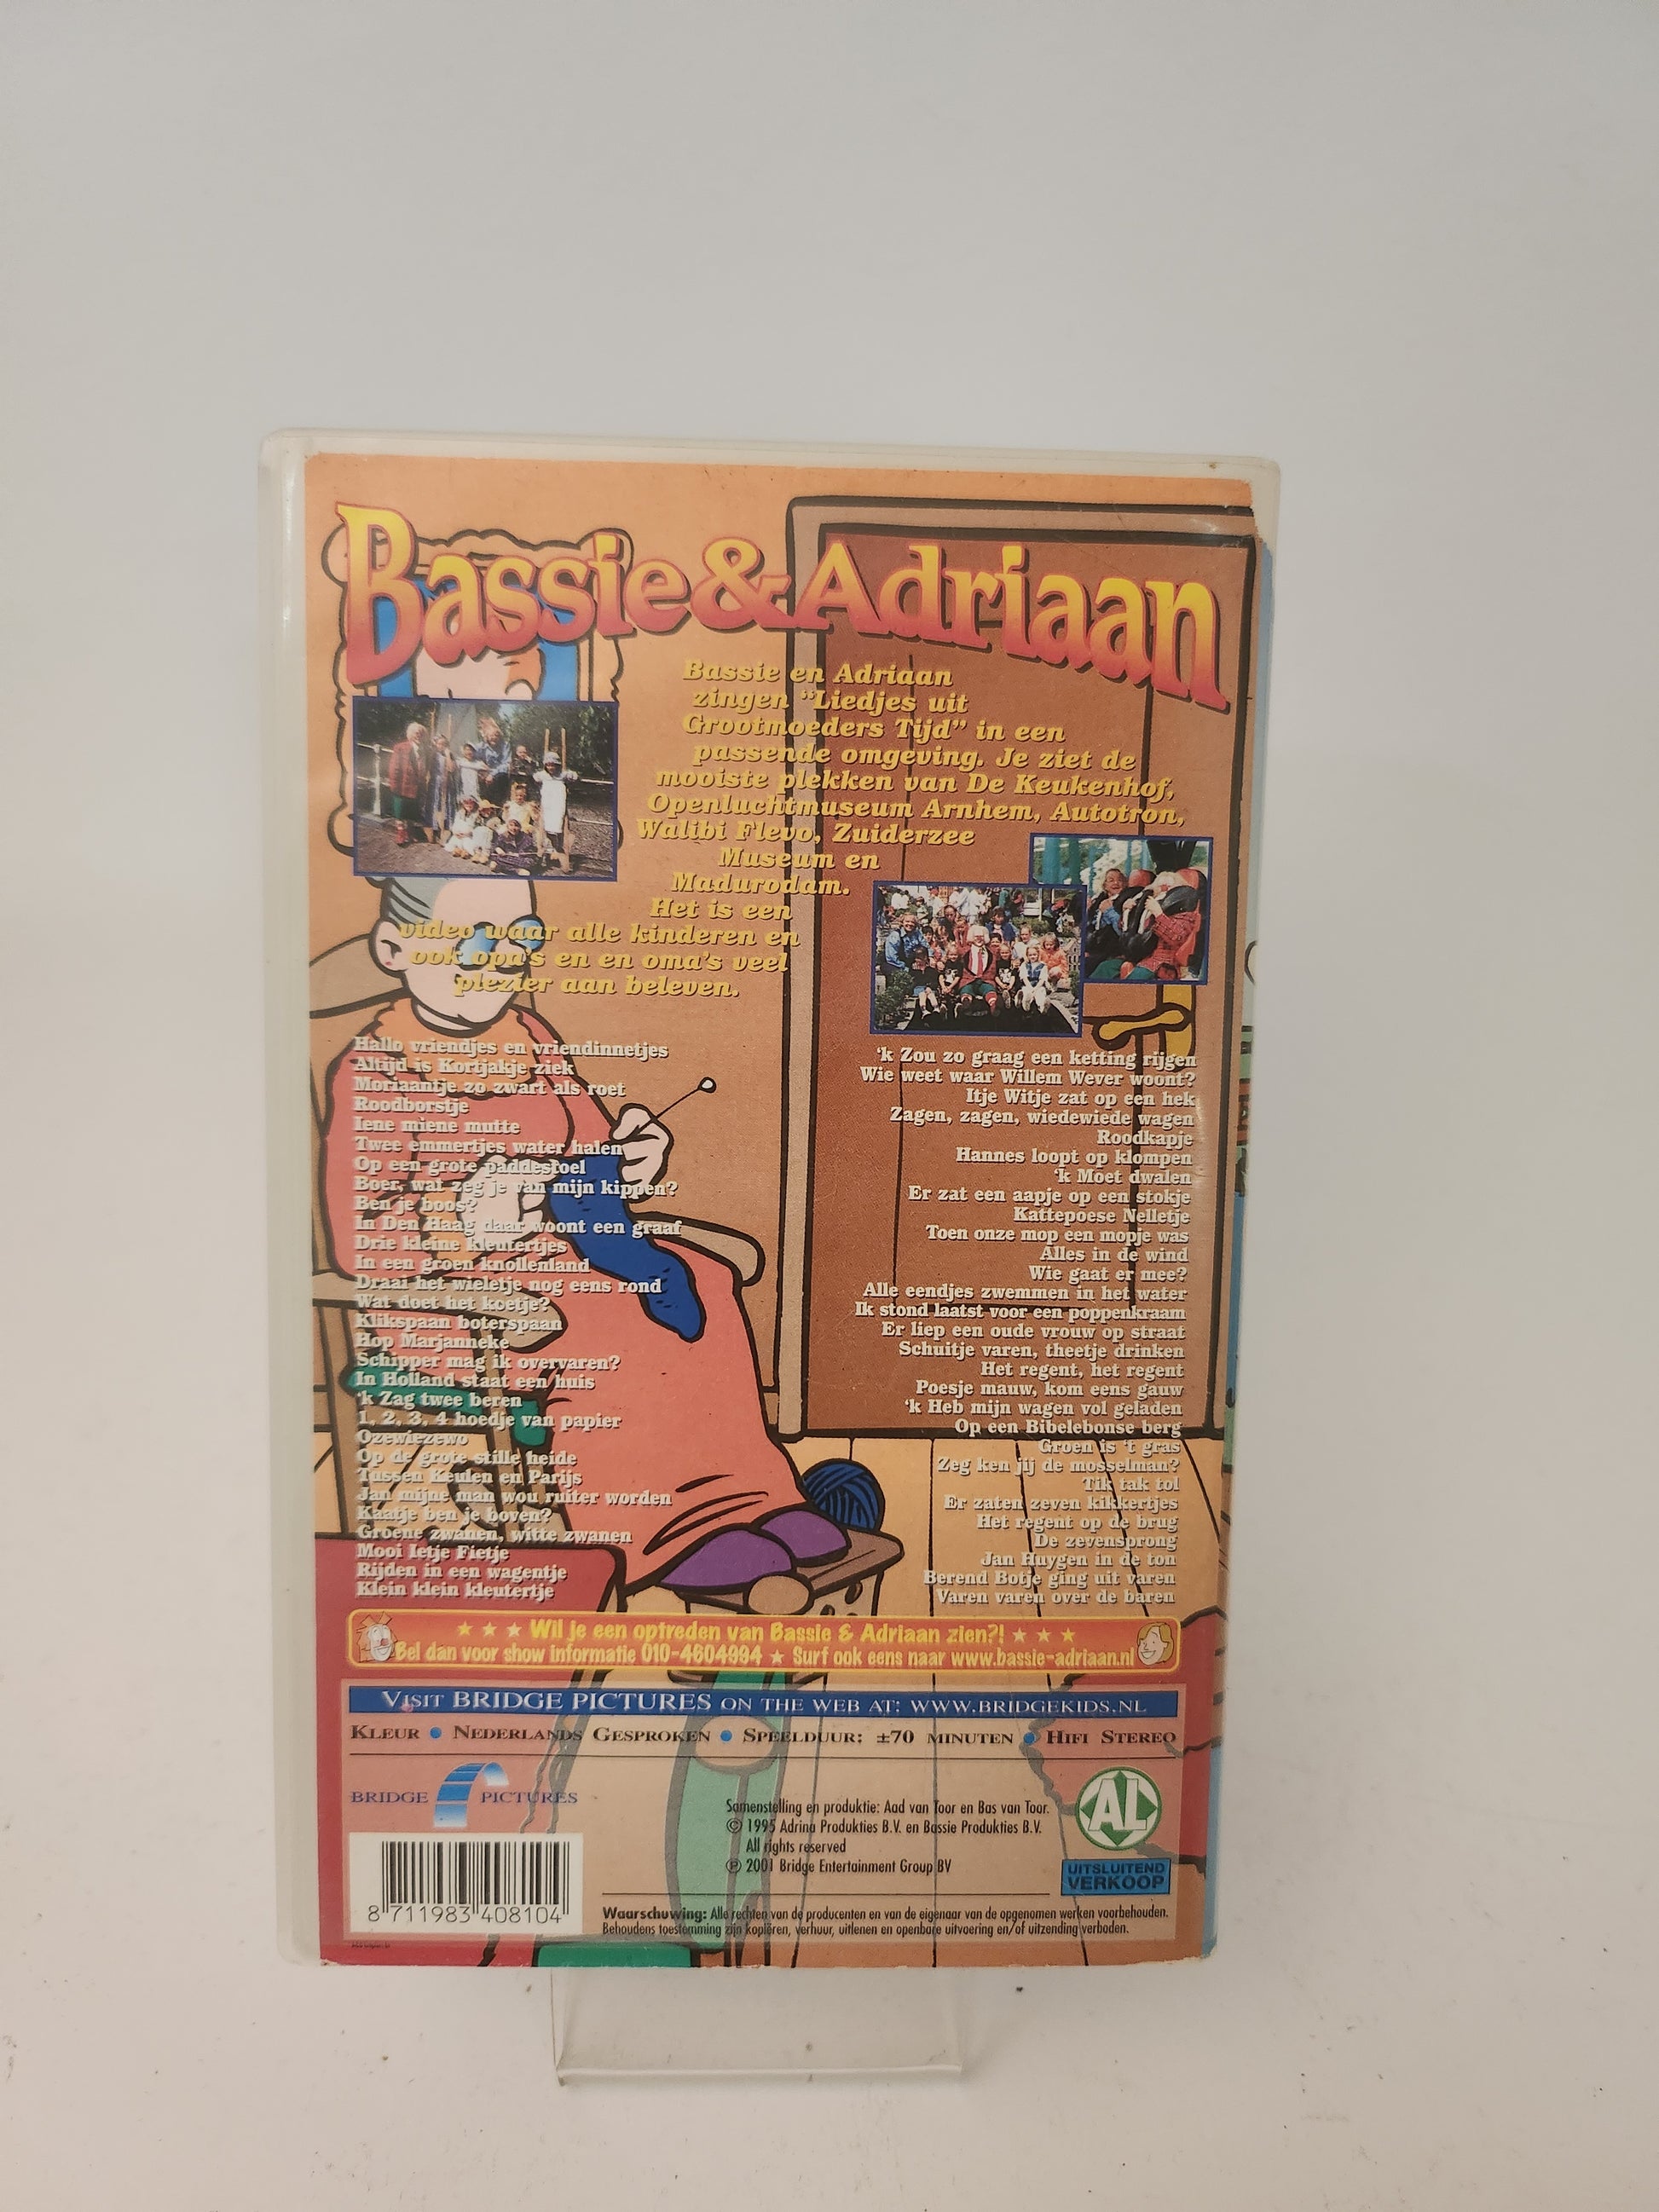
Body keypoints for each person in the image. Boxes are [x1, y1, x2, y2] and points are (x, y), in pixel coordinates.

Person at [321, 875, 884, 1600]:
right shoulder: (375, 1069)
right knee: (608, 1321)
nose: (500, 961)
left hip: (557, 1262)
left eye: (521, 938)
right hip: (449, 1306)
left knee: (702, 1279)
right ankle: (660, 1536)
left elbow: (587, 1153)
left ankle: (758, 1501)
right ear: (394, 948)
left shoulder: (531, 1037)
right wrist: (469, 1214)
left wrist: (630, 1157)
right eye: (473, 941)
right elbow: (359, 1242)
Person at [384, 720, 431, 846]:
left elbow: (426, 766)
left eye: (421, 733)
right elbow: (394, 767)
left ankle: (410, 832)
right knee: (400, 811)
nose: (418, 735)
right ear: (410, 734)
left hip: (417, 785)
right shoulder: (401, 747)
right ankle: (400, 833)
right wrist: (394, 784)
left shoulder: (425, 749)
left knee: (412, 810)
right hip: (402, 784)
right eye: (416, 733)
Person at [535, 758, 573, 874]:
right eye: (548, 765)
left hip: (558, 801)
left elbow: (573, 776)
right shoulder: (543, 775)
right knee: (545, 825)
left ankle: (560, 851)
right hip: (548, 802)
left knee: (558, 823)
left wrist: (571, 775)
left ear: (557, 765)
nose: (551, 768)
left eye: (553, 765)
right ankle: (544, 853)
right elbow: (535, 777)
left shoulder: (562, 775)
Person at [426, 731, 455, 840]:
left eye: (444, 744)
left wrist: (447, 755)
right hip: (435, 782)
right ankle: (433, 828)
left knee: (447, 804)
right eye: (439, 744)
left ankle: (447, 828)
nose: (442, 746)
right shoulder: (433, 754)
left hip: (447, 783)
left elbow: (451, 769)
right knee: (434, 803)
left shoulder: (449, 755)